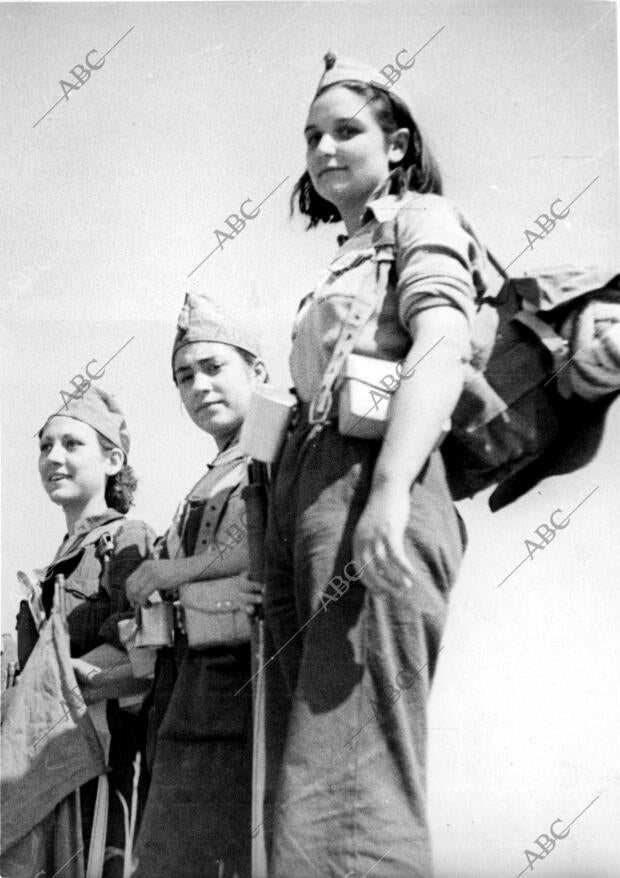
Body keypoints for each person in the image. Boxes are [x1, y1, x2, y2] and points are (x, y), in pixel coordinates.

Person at [262, 52, 488, 877]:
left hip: (373, 487)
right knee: (311, 781)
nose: (323, 148)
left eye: (346, 130)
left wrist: (389, 492)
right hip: (313, 500)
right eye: (312, 135)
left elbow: (441, 340)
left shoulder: (422, 219)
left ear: (395, 145)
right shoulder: (346, 252)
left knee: (354, 783)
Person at [127, 293, 267, 878]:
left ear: (257, 372)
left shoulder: (273, 451)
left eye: (214, 368)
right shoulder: (215, 472)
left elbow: (265, 554)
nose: (199, 387)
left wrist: (174, 574)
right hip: (189, 689)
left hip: (243, 685)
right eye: (185, 377)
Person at [25, 388, 155, 878]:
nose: (53, 457)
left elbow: (139, 654)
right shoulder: (51, 567)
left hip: (106, 766)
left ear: (113, 459)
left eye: (72, 445)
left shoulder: (128, 539)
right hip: (50, 772)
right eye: (45, 446)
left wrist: (61, 680)